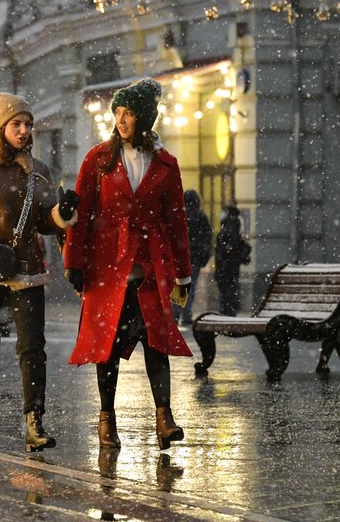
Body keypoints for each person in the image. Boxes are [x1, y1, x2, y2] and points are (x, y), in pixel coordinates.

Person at [63, 77, 193, 451]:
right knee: (107, 347)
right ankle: (107, 420)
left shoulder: (166, 164)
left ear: (146, 117)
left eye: (129, 113)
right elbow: (82, 212)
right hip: (107, 269)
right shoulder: (99, 160)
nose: (121, 121)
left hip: (151, 269)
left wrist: (182, 273)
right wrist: (74, 261)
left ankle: (164, 418)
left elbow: (176, 221)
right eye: (117, 113)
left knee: (157, 343)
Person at [0, 92, 79, 453]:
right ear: (1, 128)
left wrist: (61, 213)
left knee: (32, 349)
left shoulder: (39, 169)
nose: (23, 131)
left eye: (27, 124)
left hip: (26, 270)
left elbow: (44, 221)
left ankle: (33, 422)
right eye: (16, 124)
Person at [172, 189, 212, 326]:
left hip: (180, 258)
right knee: (191, 286)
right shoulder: (200, 217)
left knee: (180, 286)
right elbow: (207, 239)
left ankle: (176, 314)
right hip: (194, 258)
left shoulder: (179, 215)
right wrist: (204, 257)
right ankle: (186, 314)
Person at [213, 205, 251, 316]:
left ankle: (227, 310)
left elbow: (224, 250)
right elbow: (242, 246)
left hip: (225, 266)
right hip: (231, 266)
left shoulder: (226, 230)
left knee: (226, 290)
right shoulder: (234, 229)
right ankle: (230, 310)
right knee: (230, 288)